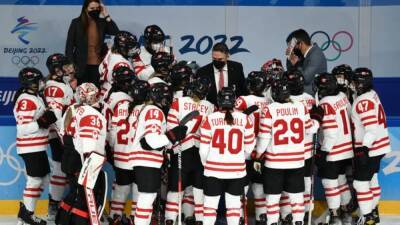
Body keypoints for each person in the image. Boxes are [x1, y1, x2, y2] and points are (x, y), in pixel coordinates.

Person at [254, 78, 321, 225]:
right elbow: (311, 128)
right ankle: (298, 221)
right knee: (297, 196)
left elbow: (264, 137)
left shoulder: (269, 109)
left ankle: (272, 222)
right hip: (297, 161)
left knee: (273, 197)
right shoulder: (301, 107)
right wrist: (317, 118)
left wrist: (258, 155)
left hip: (274, 163)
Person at [131, 82, 188, 225]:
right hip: (146, 160)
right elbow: (149, 142)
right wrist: (173, 135)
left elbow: (155, 141)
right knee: (146, 199)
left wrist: (171, 140)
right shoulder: (154, 111)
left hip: (145, 160)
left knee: (146, 199)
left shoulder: (149, 109)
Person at [199, 87, 255, 225]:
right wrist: (237, 158)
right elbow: (249, 147)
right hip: (236, 171)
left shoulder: (210, 119)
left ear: (219, 101)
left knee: (209, 208)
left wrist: (208, 165)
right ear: (234, 101)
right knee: (234, 208)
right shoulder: (245, 119)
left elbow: (203, 150)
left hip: (213, 170)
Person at [165, 77, 215, 225]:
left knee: (179, 187)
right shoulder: (210, 106)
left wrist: (170, 148)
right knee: (196, 188)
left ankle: (171, 218)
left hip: (183, 150)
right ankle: (197, 219)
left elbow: (170, 128)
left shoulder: (178, 102)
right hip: (200, 151)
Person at [56, 83, 107, 225]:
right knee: (84, 199)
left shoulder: (71, 109)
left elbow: (61, 133)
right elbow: (88, 142)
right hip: (85, 160)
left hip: (69, 156)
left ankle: (62, 221)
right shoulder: (92, 114)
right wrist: (87, 165)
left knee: (74, 193)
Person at [14, 67, 57, 225]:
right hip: (30, 147)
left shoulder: (35, 96)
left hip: (38, 146)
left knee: (43, 180)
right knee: (34, 181)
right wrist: (42, 121)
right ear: (30, 83)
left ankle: (25, 213)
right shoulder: (26, 99)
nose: (42, 83)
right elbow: (22, 128)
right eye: (38, 80)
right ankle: (26, 217)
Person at [350, 68, 391, 225]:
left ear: (360, 84)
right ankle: (373, 212)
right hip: (380, 146)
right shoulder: (372, 94)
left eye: (354, 81)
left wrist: (364, 148)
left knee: (360, 183)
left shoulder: (363, 101)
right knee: (372, 179)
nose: (352, 84)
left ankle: (367, 218)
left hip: (371, 148)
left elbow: (371, 128)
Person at [313, 73, 354, 225]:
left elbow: (330, 132)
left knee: (330, 184)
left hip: (334, 150)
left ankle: (335, 215)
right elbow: (350, 116)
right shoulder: (342, 96)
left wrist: (324, 152)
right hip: (346, 148)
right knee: (342, 180)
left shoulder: (325, 103)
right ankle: (346, 211)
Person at [277, 70, 316, 225]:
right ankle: (303, 213)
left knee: (289, 186)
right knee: (302, 184)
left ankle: (287, 215)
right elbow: (312, 126)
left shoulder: (281, 98)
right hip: (303, 151)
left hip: (288, 151)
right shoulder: (309, 99)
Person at [234, 71, 269, 225]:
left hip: (244, 149)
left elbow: (232, 121)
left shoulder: (243, 100)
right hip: (262, 149)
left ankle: (240, 216)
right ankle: (262, 216)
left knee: (243, 186)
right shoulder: (269, 101)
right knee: (259, 187)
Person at [43, 53, 75, 221]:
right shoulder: (55, 86)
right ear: (56, 69)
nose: (69, 68)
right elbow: (55, 115)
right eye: (65, 65)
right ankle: (54, 205)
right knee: (60, 169)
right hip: (59, 133)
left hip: (64, 132)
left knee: (66, 169)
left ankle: (65, 204)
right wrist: (66, 138)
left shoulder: (61, 83)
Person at [105, 66, 136, 225]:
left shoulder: (110, 96)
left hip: (114, 147)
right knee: (132, 184)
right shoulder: (125, 101)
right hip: (124, 148)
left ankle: (115, 215)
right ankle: (131, 217)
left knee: (121, 183)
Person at [65, 0, 119, 86]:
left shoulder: (102, 22)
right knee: (81, 94)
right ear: (85, 9)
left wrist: (106, 15)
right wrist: (71, 64)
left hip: (98, 67)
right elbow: (69, 46)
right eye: (92, 8)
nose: (95, 10)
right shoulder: (76, 23)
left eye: (97, 8)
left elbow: (115, 32)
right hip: (81, 67)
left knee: (96, 94)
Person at [98, 30, 139, 101]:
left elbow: (100, 69)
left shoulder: (111, 52)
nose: (132, 49)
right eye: (129, 47)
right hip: (116, 96)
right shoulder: (122, 63)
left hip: (104, 93)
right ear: (121, 48)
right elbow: (125, 85)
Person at [285, 29, 327, 95]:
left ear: (300, 44)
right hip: (305, 91)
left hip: (314, 93)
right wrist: (289, 59)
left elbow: (305, 78)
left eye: (292, 46)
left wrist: (296, 64)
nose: (292, 49)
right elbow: (291, 73)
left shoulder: (315, 54)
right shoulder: (305, 55)